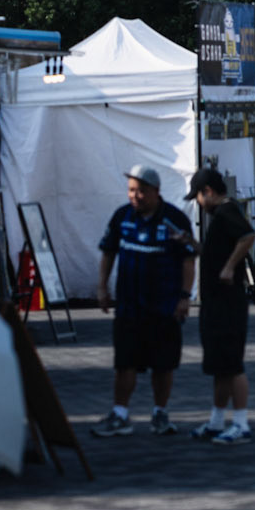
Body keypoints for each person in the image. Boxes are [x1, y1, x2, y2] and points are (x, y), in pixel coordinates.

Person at [93, 165, 196, 438]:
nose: (135, 196)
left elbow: (188, 259)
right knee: (124, 362)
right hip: (129, 306)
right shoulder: (122, 217)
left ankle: (159, 413)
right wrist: (102, 286)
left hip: (164, 307)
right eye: (131, 191)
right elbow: (108, 253)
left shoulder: (173, 220)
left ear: (155, 192)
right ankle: (120, 414)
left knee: (163, 365)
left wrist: (185, 297)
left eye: (141, 191)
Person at [186, 168, 255, 443]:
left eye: (199, 197)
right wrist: (193, 244)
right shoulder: (222, 216)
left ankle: (241, 424)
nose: (198, 203)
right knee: (220, 365)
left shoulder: (227, 212)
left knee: (232, 364)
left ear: (210, 192)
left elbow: (248, 237)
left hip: (228, 303)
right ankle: (217, 421)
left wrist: (229, 267)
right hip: (217, 302)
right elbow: (217, 252)